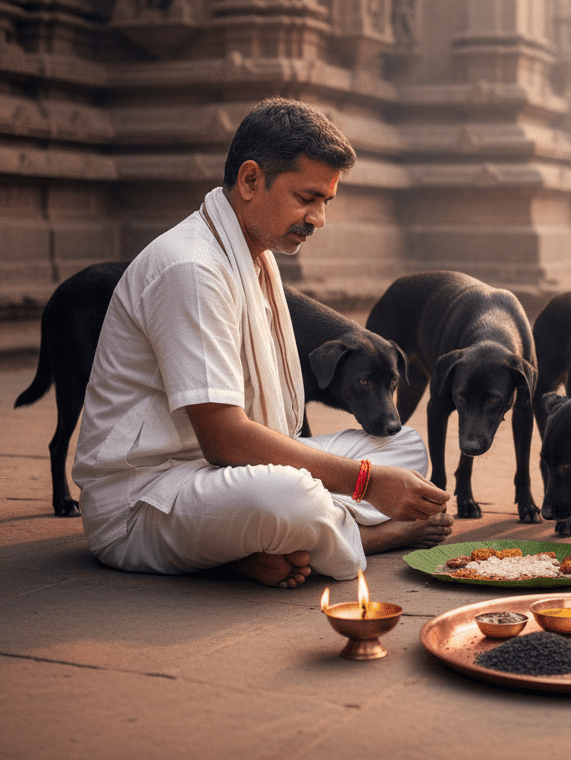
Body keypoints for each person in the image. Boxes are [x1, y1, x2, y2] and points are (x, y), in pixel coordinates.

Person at [73, 97, 453, 589]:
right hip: (145, 501)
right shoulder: (191, 268)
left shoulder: (254, 254)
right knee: (289, 498)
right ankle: (367, 539)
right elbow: (224, 438)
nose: (318, 218)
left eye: (325, 202)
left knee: (402, 445)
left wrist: (368, 474)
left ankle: (273, 545)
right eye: (306, 198)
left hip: (219, 478)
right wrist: (365, 483)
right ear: (251, 181)